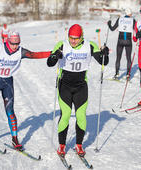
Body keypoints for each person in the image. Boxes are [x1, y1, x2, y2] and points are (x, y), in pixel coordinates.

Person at [0, 31, 51, 151]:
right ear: (7, 41)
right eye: (13, 43)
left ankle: (15, 139)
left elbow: (36, 55)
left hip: (7, 83)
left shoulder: (21, 51)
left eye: (17, 43)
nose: (15, 46)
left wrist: (52, 53)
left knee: (10, 111)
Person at [47, 24, 109, 157]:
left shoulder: (90, 45)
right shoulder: (62, 45)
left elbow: (102, 61)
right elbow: (49, 63)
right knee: (66, 114)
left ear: (82, 37)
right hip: (65, 85)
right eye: (71, 38)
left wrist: (105, 54)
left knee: (81, 116)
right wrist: (55, 56)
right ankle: (62, 145)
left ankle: (79, 144)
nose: (73, 41)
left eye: (76, 38)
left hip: (81, 85)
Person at [107, 8, 136, 80]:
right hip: (128, 41)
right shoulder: (133, 20)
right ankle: (128, 75)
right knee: (128, 58)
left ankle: (116, 75)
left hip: (120, 40)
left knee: (118, 58)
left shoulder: (120, 19)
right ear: (129, 14)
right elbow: (137, 30)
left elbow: (112, 29)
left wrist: (109, 24)